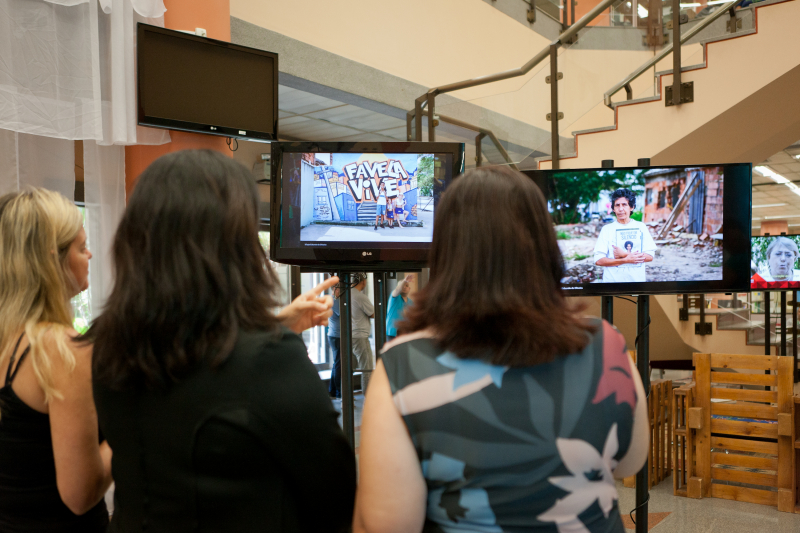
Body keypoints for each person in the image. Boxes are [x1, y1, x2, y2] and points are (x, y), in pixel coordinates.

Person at [353, 166, 649, 533]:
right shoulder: (606, 344)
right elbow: (630, 462)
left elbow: (387, 526)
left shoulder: (403, 366)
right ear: (544, 246)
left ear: (446, 252)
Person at [85, 150, 356, 533]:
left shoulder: (107, 344)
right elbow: (334, 498)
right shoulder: (270, 360)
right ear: (234, 248)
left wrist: (275, 322)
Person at [0, 188, 112, 532]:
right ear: (53, 259)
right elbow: (81, 495)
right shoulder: (60, 350)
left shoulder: (10, 342)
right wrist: (134, 426)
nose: (90, 254)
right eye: (81, 247)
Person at [593, 188, 657, 283]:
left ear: (631, 207)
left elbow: (650, 256)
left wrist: (624, 254)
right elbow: (599, 260)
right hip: (612, 284)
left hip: (636, 284)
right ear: (613, 209)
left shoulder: (641, 227)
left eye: (624, 205)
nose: (621, 209)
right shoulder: (607, 229)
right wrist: (625, 260)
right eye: (617, 205)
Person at [350, 273, 375, 393]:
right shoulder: (360, 297)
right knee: (367, 369)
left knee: (349, 368)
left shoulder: (347, 294)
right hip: (360, 336)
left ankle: (345, 396)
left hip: (349, 336)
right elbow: (373, 313)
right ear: (363, 282)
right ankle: (368, 397)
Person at [386, 274, 414, 342]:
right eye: (402, 285)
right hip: (392, 334)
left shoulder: (411, 302)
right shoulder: (394, 297)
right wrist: (404, 280)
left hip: (404, 334)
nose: (404, 287)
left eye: (406, 285)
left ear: (409, 289)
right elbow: (398, 289)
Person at [327, 284, 342, 399]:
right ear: (335, 290)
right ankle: (339, 391)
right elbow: (344, 314)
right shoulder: (335, 301)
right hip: (337, 336)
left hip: (334, 335)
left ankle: (332, 390)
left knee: (337, 363)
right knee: (339, 364)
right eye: (341, 289)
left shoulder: (333, 300)